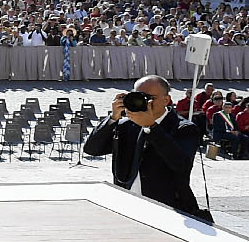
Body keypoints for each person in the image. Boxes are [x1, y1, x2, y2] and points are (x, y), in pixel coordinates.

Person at [84, 75, 207, 220]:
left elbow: (181, 165)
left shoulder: (184, 128)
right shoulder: (127, 125)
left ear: (166, 100)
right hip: (127, 205)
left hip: (168, 209)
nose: (144, 102)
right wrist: (112, 118)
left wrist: (151, 127)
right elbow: (92, 149)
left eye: (150, 97)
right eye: (138, 96)